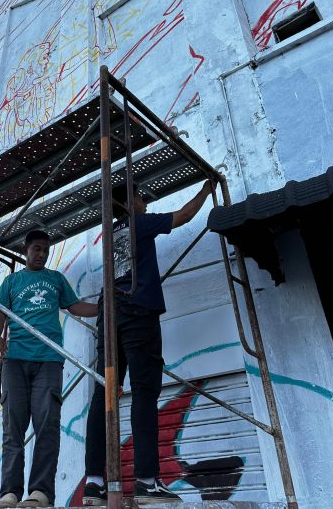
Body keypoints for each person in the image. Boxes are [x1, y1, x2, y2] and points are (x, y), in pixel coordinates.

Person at [83, 179, 214, 505]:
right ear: (128, 204)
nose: (144, 200)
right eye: (140, 196)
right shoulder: (140, 222)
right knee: (144, 391)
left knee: (105, 391)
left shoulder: (110, 234)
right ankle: (146, 482)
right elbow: (183, 216)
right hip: (137, 309)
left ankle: (94, 484)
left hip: (109, 311)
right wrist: (206, 189)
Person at [0, 229, 98, 509]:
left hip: (50, 360)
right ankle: (9, 494)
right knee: (13, 429)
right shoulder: (12, 281)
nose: (41, 254)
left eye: (45, 250)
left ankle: (39, 493)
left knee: (47, 426)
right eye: (36, 249)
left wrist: (106, 306)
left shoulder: (55, 280)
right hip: (15, 361)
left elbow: (75, 307)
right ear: (26, 250)